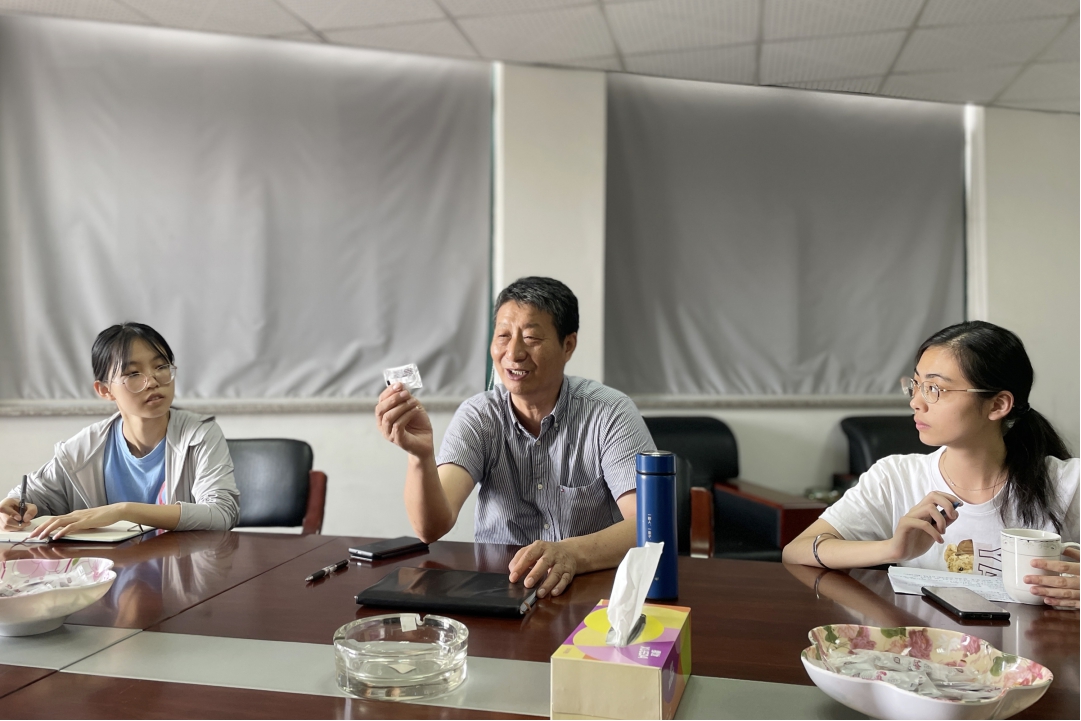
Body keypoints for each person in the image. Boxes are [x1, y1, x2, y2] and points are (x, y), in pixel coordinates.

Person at [376, 277, 655, 599]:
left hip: (590, 592)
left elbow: (647, 524)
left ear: (568, 345)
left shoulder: (609, 413)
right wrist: (420, 455)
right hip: (500, 590)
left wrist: (570, 553)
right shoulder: (479, 416)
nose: (514, 352)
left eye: (531, 338)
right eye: (503, 336)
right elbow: (431, 528)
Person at [783, 321, 1080, 608]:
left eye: (935, 388)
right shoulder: (895, 477)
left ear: (998, 405)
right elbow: (796, 551)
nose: (916, 402)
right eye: (916, 385)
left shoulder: (1070, 484)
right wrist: (892, 549)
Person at [0, 323, 239, 538]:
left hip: (179, 568)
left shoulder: (199, 435)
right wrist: (13, 509)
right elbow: (27, 497)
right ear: (105, 390)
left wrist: (123, 511)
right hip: (107, 570)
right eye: (133, 374)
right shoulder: (83, 450)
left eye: (161, 366)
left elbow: (222, 513)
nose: (153, 381)